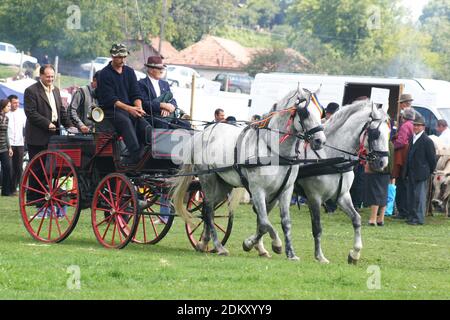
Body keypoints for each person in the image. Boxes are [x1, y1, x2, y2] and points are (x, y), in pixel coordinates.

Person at [97, 43, 149, 165]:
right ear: (112, 57)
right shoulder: (104, 74)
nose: (122, 60)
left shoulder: (130, 72)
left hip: (128, 108)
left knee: (145, 123)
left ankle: (148, 152)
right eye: (119, 57)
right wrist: (130, 109)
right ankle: (135, 155)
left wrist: (139, 108)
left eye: (124, 57)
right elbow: (110, 99)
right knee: (125, 121)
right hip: (110, 111)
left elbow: (136, 93)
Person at [24, 64, 73, 162]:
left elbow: (61, 111)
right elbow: (31, 113)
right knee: (37, 168)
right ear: (41, 75)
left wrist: (70, 126)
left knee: (51, 168)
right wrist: (47, 123)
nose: (50, 79)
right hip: (37, 136)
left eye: (52, 76)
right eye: (48, 76)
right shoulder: (31, 91)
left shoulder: (56, 90)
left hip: (54, 135)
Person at [404, 114, 437, 225]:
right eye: (415, 125)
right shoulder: (412, 138)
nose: (416, 127)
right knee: (411, 196)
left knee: (420, 197)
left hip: (421, 173)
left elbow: (432, 160)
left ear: (423, 127)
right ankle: (411, 216)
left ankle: (418, 219)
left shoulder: (427, 141)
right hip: (411, 172)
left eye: (418, 125)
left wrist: (428, 171)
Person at [138, 56, 177, 129]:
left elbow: (172, 99)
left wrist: (170, 107)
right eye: (159, 68)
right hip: (150, 117)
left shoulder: (165, 84)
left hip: (166, 116)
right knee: (162, 124)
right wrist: (162, 105)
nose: (162, 71)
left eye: (162, 68)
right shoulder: (141, 84)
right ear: (150, 70)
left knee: (185, 125)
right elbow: (144, 103)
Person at [391, 108, 415, 219]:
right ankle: (405, 210)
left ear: (403, 117)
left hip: (402, 158)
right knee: (405, 186)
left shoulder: (405, 126)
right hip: (408, 158)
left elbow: (401, 142)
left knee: (401, 185)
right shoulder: (413, 125)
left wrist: (392, 145)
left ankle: (402, 211)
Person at [366, 141, 394, 226]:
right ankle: (381, 219)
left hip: (378, 170)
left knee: (375, 194)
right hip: (387, 172)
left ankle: (373, 219)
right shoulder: (391, 144)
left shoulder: (380, 144)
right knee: (383, 195)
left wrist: (369, 166)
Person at [6, 94, 26, 192]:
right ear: (9, 102)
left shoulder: (22, 113)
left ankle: (16, 187)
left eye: (18, 103)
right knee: (9, 167)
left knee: (18, 167)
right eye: (14, 103)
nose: (17, 104)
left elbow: (25, 127)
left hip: (20, 143)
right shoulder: (5, 114)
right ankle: (9, 187)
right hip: (8, 143)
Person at [0, 99, 14, 196]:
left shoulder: (7, 118)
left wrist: (9, 147)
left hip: (4, 147)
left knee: (7, 168)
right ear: (3, 106)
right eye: (8, 106)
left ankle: (5, 191)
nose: (10, 108)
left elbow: (5, 133)